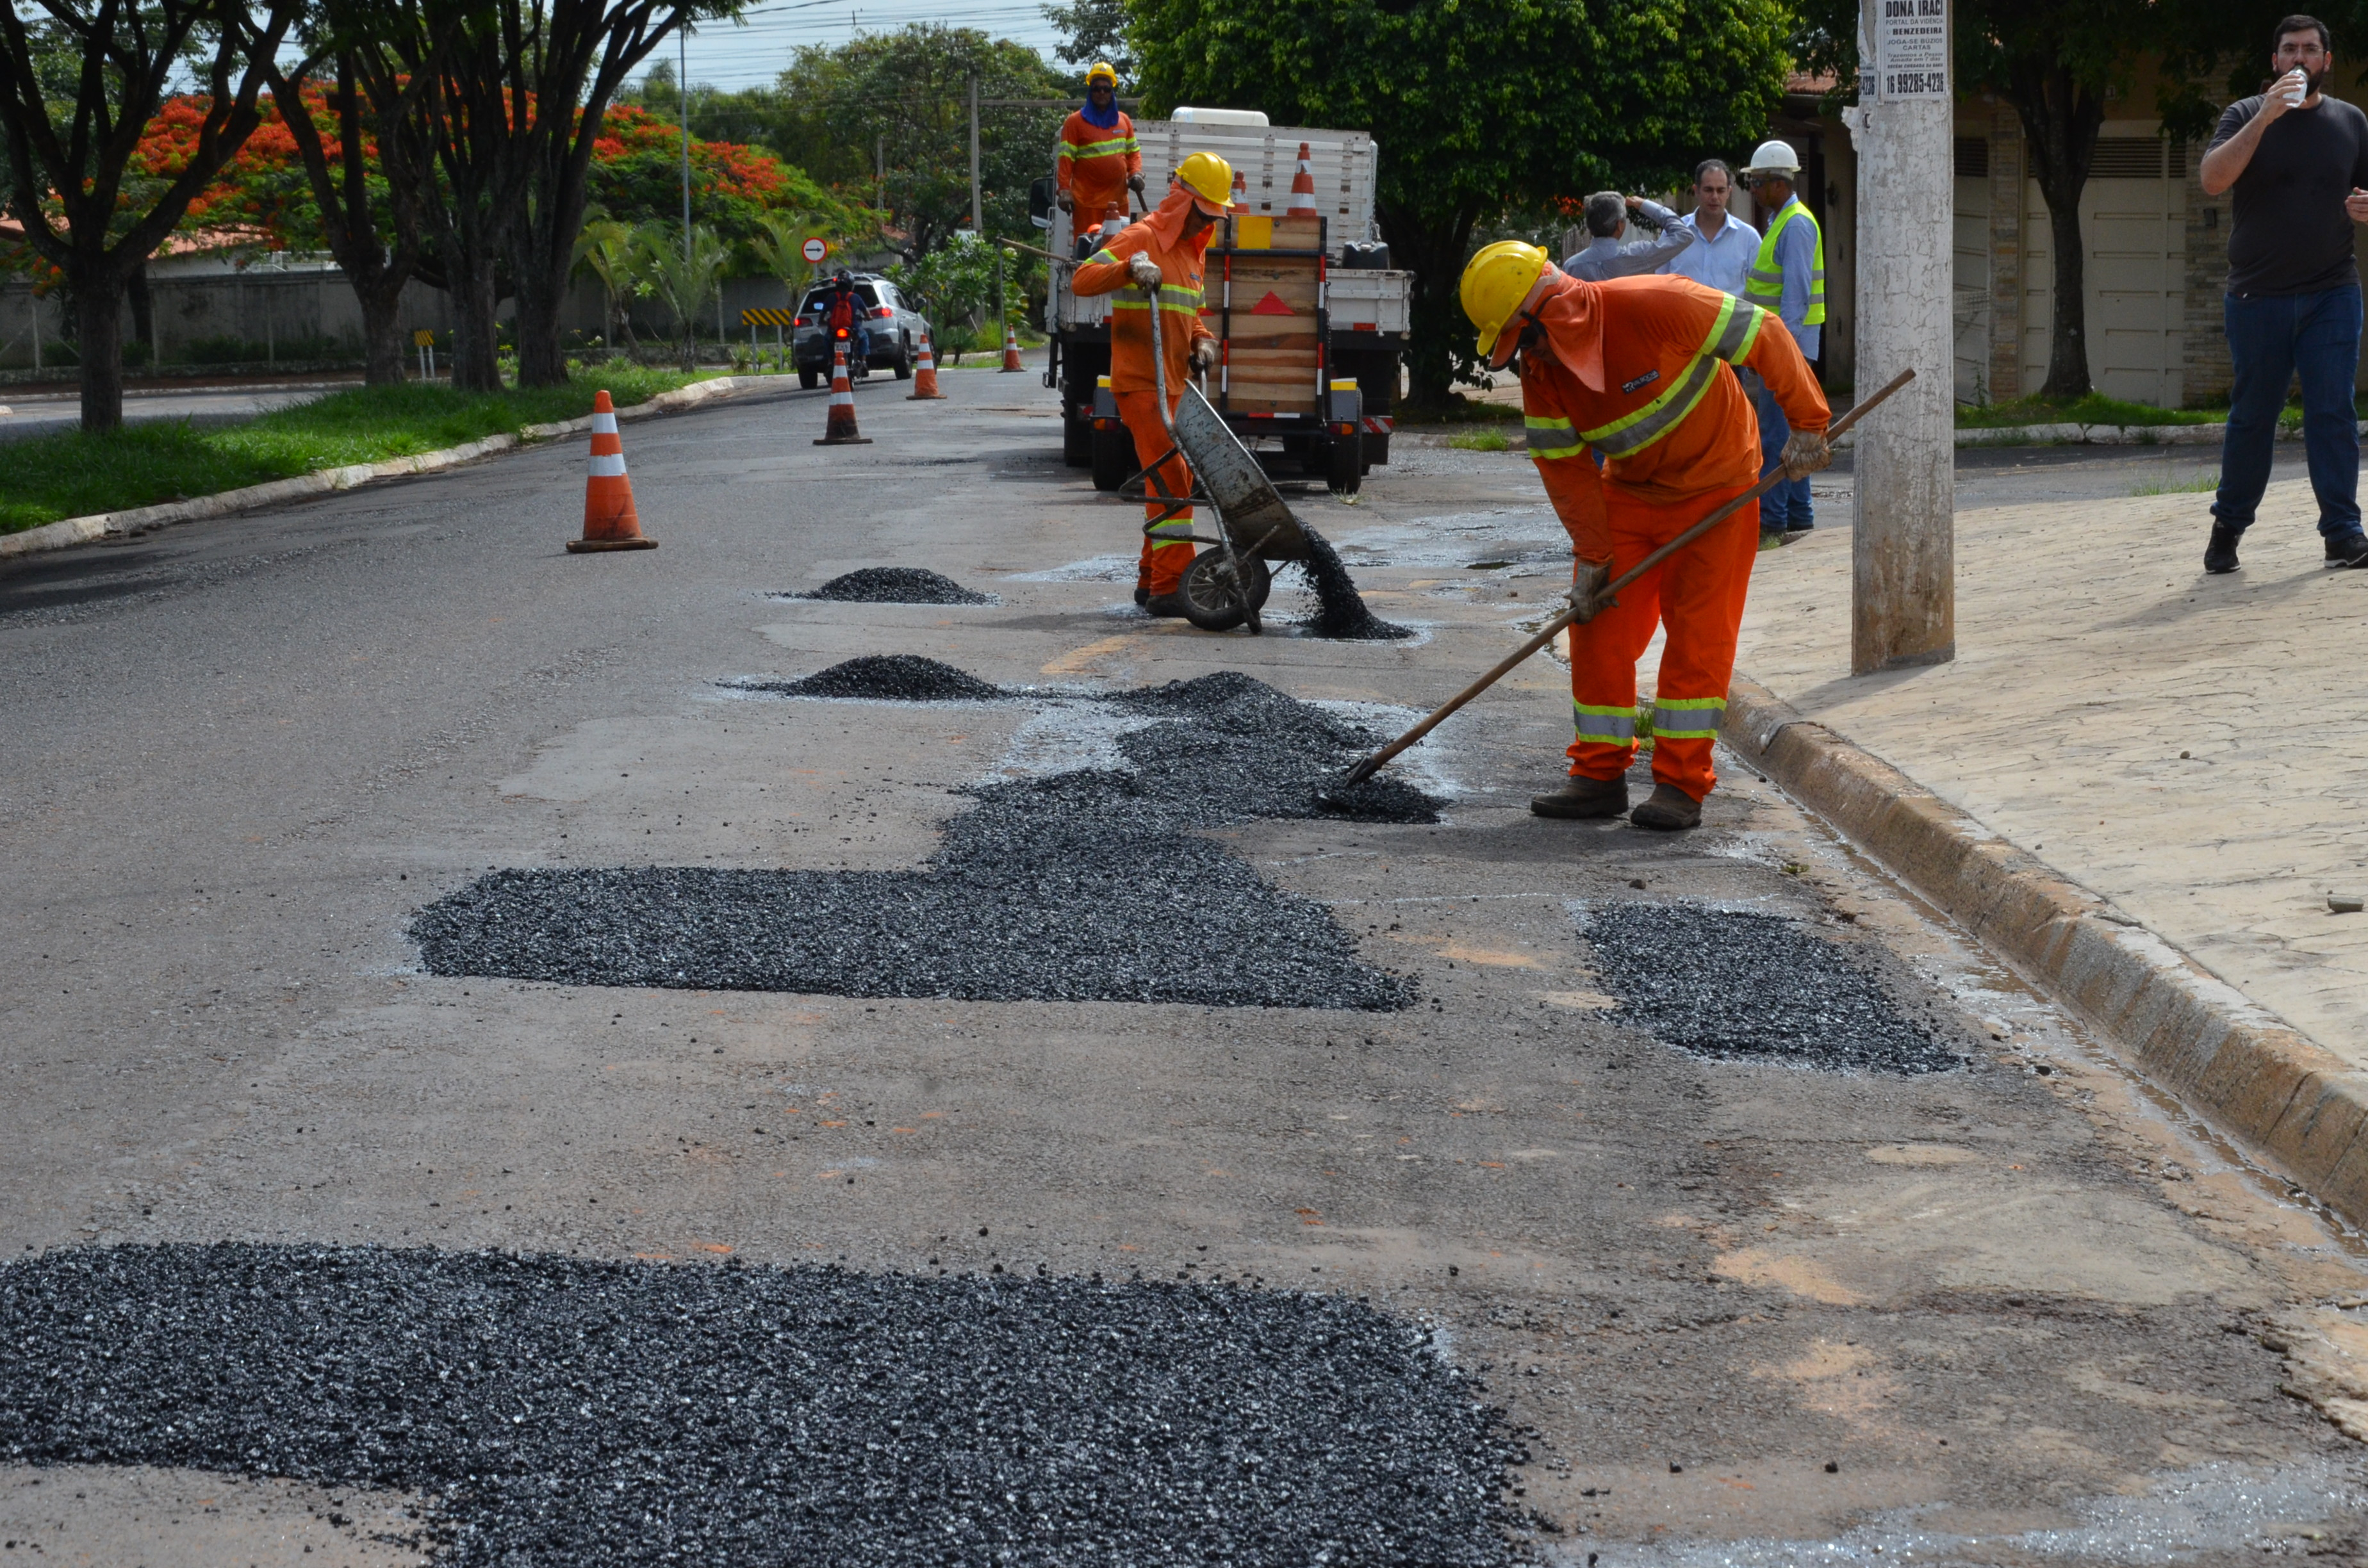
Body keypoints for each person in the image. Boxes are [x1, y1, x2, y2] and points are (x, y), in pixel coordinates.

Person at [1460, 241, 1830, 830]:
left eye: (1524, 339)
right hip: (1631, 493)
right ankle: (1598, 775)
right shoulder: (1543, 370)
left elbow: (1766, 333)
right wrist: (1593, 555)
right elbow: (1564, 468)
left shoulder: (1660, 304)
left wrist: (1808, 423)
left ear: (1553, 310)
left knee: (1698, 636)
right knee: (1597, 623)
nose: (1526, 356)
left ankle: (1681, 785)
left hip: (1720, 486)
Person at [2198, 13, 2368, 572]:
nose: (2299, 58)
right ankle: (2228, 528)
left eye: (2310, 50)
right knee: (2254, 417)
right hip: (2258, 296)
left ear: (2327, 61)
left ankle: (2343, 533)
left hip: (2332, 291)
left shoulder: (2351, 121)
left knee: (2332, 412)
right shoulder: (2244, 113)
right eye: (2289, 50)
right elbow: (2213, 179)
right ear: (2274, 61)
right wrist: (2266, 116)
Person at [1070, 152, 1232, 614]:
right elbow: (1082, 279)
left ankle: (1150, 579)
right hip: (1141, 382)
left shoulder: (1192, 254)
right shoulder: (1141, 238)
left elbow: (1190, 314)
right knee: (1172, 482)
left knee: (1169, 482)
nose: (1206, 221)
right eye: (1202, 211)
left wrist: (1202, 341)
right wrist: (1128, 269)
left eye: (1213, 215)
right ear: (1182, 200)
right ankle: (1170, 588)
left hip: (1174, 385)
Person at [1738, 140, 1825, 543]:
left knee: (1775, 436)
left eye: (1757, 183)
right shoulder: (1782, 221)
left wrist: (1781, 352)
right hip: (1782, 347)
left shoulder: (1796, 225)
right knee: (1792, 436)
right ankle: (1798, 518)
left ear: (1778, 183)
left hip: (1787, 348)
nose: (1753, 190)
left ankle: (1774, 521)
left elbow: (1796, 295)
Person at [1056, 62, 1144, 231]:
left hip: (1118, 202)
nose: (1102, 93)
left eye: (1106, 89)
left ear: (1112, 92)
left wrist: (1136, 174)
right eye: (1097, 89)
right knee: (1087, 244)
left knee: (1118, 245)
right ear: (1091, 91)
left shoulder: (1124, 121)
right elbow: (1066, 160)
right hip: (1087, 204)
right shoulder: (1075, 122)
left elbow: (1133, 153)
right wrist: (1064, 190)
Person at [1659, 158, 1758, 298]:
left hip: (1728, 314)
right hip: (1683, 313)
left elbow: (1759, 291)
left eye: (1721, 190)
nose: (1715, 197)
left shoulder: (1748, 238)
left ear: (1729, 192)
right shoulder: (1673, 233)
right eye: (1708, 190)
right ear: (1696, 191)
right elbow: (1659, 283)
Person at [1562, 192, 1693, 282]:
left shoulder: (1571, 266)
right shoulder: (1637, 255)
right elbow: (1683, 235)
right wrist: (1644, 204)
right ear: (1619, 226)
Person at [825, 270, 867, 373]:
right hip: (853, 327)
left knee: (827, 340)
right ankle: (863, 362)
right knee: (865, 337)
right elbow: (867, 313)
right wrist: (869, 317)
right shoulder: (856, 297)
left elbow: (822, 315)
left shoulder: (831, 297)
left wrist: (824, 321)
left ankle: (830, 362)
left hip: (834, 329)